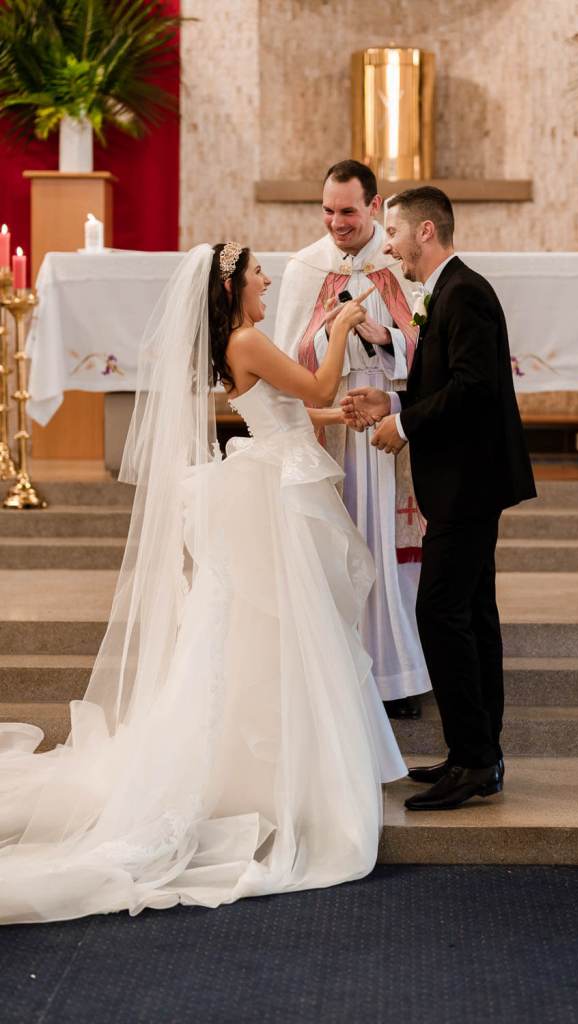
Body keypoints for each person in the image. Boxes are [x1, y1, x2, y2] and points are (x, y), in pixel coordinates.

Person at [0, 242, 405, 925]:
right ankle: (272, 778)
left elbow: (289, 410)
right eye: (256, 274)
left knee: (262, 632)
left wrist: (338, 419)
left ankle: (275, 768)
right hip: (274, 497)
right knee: (272, 628)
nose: (267, 279)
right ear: (231, 288)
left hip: (273, 478)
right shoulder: (248, 338)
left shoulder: (241, 343)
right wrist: (337, 334)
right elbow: (315, 388)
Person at [342, 187, 537, 811]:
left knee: (441, 613)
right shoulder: (446, 293)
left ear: (425, 231)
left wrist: (405, 425)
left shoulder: (464, 291)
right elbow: (449, 382)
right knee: (473, 614)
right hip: (465, 479)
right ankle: (475, 754)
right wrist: (394, 403)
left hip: (470, 481)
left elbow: (475, 389)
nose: (388, 242)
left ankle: (476, 759)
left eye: (393, 231)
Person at [275, 159, 431, 719]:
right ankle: (341, 671)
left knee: (389, 548)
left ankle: (399, 676)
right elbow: (286, 355)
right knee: (341, 548)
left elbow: (427, 349)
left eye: (347, 211)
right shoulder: (305, 268)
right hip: (332, 417)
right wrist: (331, 331)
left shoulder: (401, 263)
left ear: (373, 206)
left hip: (388, 418)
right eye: (327, 211)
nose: (336, 223)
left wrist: (381, 335)